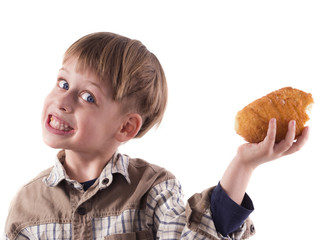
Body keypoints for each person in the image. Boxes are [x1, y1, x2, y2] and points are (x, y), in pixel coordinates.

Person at [2, 32, 309, 240]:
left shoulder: (153, 189)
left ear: (126, 127)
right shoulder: (26, 206)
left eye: (88, 97)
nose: (62, 101)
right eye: (63, 83)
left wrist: (244, 165)